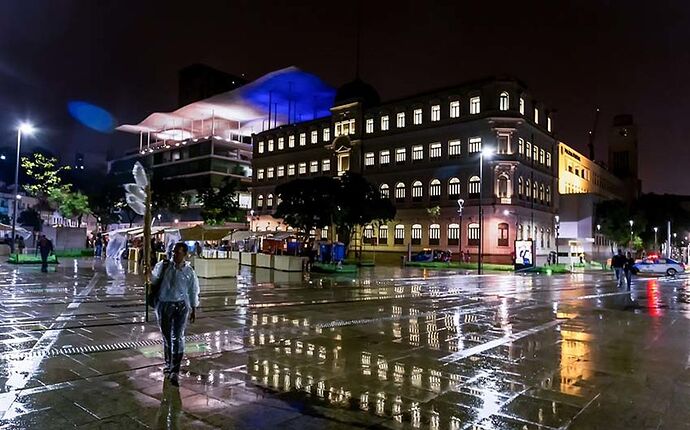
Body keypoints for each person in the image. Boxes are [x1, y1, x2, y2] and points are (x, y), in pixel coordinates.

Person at [151, 242, 200, 387]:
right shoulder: (164, 266)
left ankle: (175, 370)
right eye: (173, 252)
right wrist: (148, 274)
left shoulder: (189, 272)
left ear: (185, 254)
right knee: (166, 336)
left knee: (178, 337)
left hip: (181, 306)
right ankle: (168, 364)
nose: (175, 255)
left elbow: (193, 290)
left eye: (178, 253)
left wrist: (193, 308)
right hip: (164, 304)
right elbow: (153, 280)